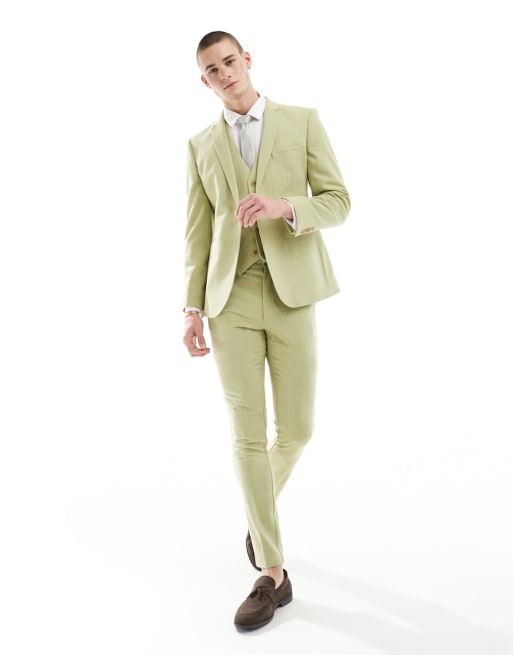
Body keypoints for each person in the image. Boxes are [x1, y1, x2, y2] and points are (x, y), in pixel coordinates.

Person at [182, 30, 350, 631]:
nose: (224, 73)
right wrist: (191, 308)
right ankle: (272, 574)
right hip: (228, 301)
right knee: (247, 436)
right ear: (204, 80)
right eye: (212, 69)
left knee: (298, 429)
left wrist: (286, 207)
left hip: (292, 294)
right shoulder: (200, 145)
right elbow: (197, 233)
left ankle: (259, 517)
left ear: (247, 60)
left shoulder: (301, 122)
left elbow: (339, 200)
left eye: (230, 61)